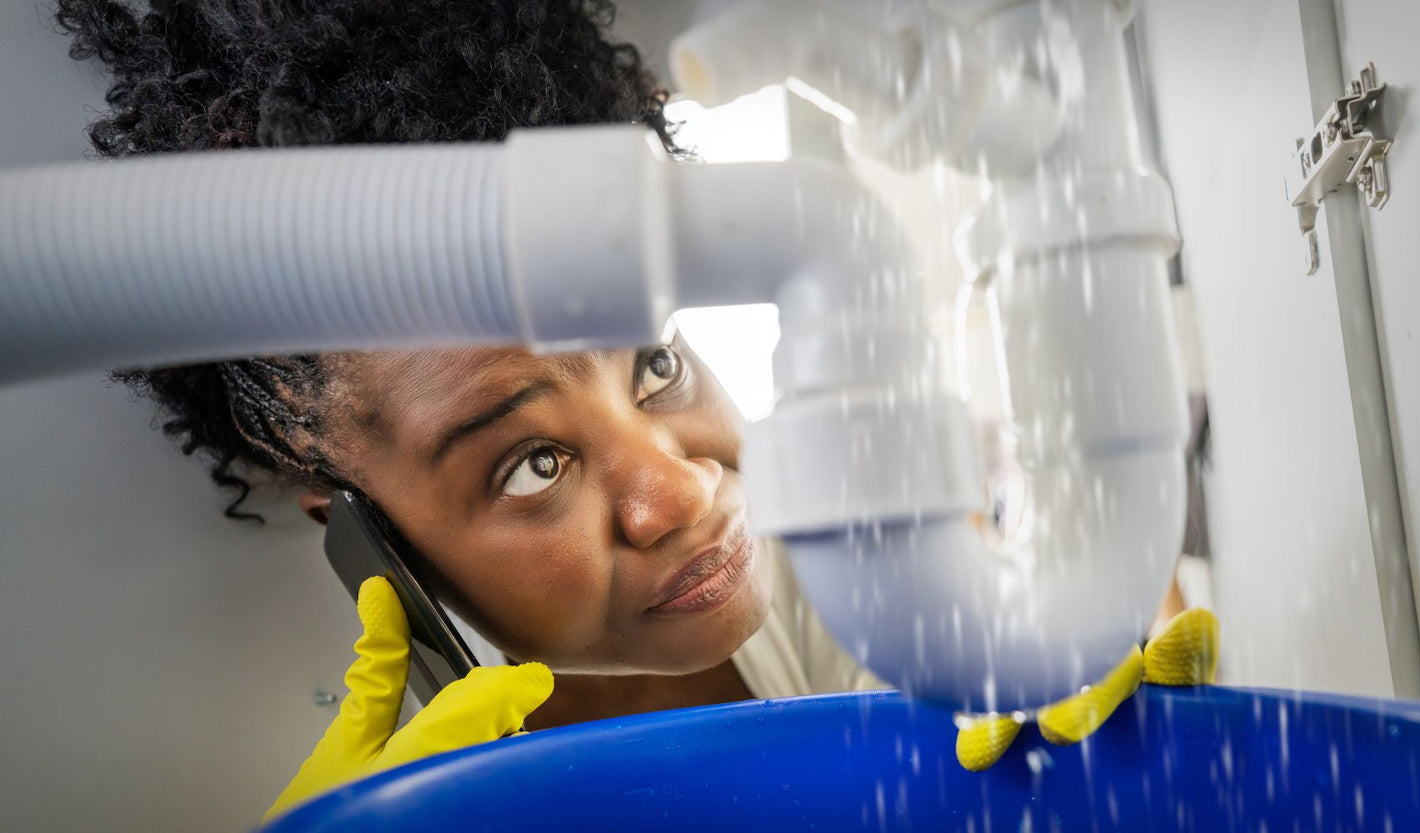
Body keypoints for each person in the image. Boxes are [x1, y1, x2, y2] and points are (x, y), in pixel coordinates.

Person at [56, 0, 887, 817]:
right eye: (535, 465)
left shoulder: (863, 560)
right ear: (361, 522)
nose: (681, 493)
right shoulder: (372, 773)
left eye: (657, 363)